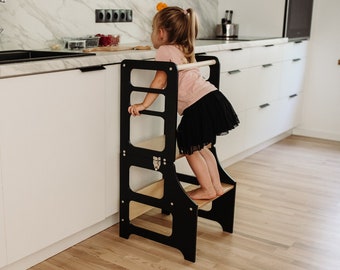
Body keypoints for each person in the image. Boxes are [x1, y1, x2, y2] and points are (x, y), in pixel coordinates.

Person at [128, 6, 239, 200]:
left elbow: (160, 80)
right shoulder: (185, 46)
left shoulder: (164, 50)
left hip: (196, 104)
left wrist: (143, 105)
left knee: (188, 147)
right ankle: (216, 186)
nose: (151, 35)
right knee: (203, 148)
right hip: (211, 97)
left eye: (152, 30)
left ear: (161, 33)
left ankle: (207, 188)